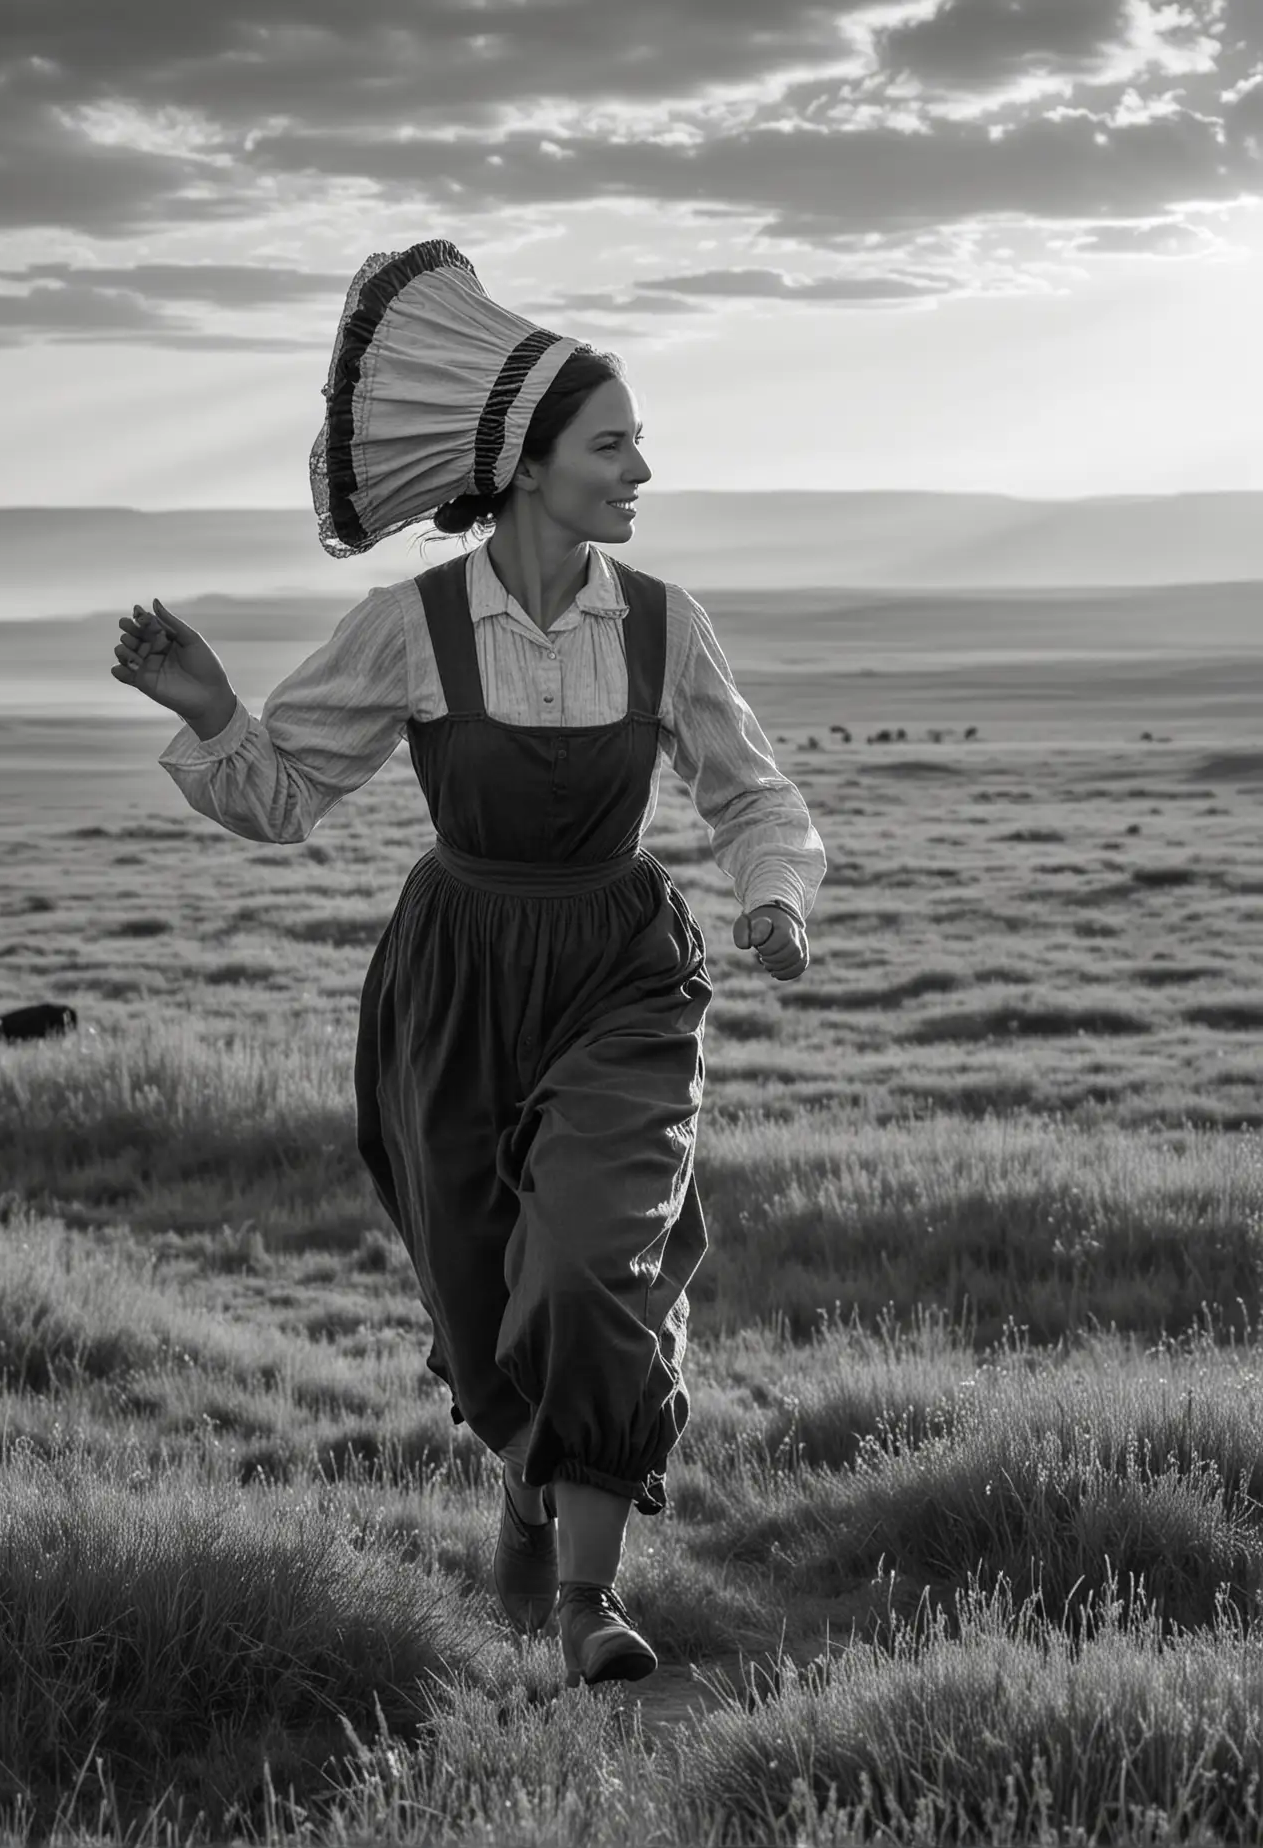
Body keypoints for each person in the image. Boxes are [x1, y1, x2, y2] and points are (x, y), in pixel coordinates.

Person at [112, 239, 825, 1691]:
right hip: (459, 984)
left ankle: (585, 1603)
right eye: (614, 443)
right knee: (491, 1296)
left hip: (622, 971)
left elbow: (751, 792)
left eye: (634, 442)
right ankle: (530, 1476)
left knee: (590, 1265)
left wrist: (773, 896)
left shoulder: (663, 621)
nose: (641, 469)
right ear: (529, 464)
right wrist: (212, 707)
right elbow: (286, 798)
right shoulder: (415, 627)